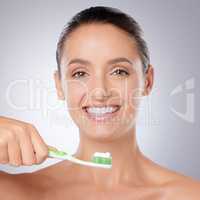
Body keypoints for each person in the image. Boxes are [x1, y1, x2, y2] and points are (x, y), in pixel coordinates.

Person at [0, 6, 200, 200]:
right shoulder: (12, 192)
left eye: (119, 71)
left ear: (147, 81)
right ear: (59, 86)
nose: (100, 92)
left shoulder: (191, 195)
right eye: (80, 73)